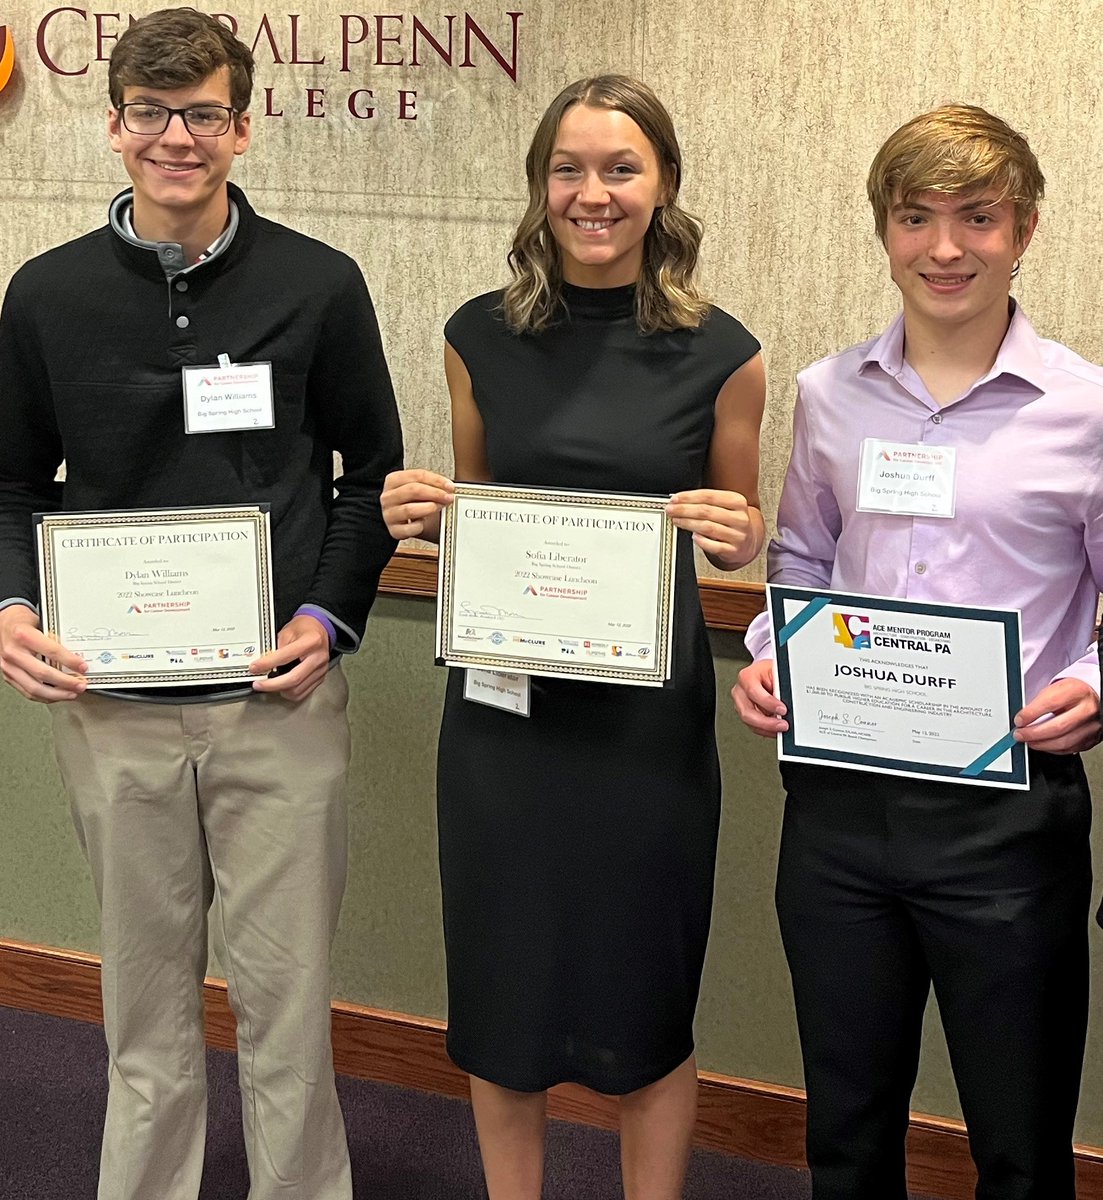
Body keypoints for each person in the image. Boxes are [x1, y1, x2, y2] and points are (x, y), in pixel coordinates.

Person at [0, 9, 402, 1199]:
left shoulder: (319, 286)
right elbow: (12, 482)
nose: (179, 137)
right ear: (116, 127)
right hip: (111, 705)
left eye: (205, 114)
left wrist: (324, 621)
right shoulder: (46, 295)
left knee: (286, 1013)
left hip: (274, 706)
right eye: (153, 114)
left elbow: (370, 478)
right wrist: (14, 605)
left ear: (244, 125)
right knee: (144, 1009)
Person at [382, 75, 766, 1199]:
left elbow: (731, 542)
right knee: (503, 992)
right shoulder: (474, 336)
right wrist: (428, 515)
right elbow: (484, 509)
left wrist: (737, 531)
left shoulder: (723, 352)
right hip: (506, 723)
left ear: (662, 188)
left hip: (643, 731)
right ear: (539, 186)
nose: (591, 193)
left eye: (619, 169)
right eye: (568, 169)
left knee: (646, 994)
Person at [734, 104, 1103, 1199]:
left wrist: (1092, 680)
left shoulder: (1084, 409)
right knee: (844, 1130)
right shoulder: (827, 394)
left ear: (1023, 229)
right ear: (884, 230)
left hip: (1007, 816)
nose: (944, 248)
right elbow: (798, 558)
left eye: (975, 218)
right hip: (840, 811)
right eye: (916, 218)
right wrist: (769, 652)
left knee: (1017, 1140)